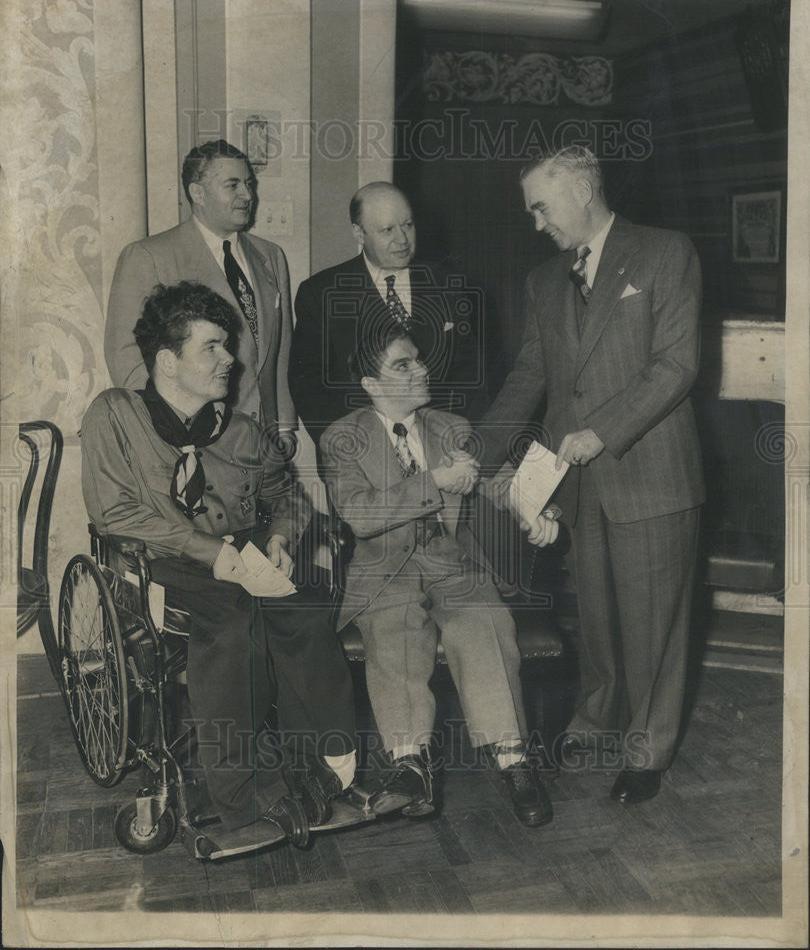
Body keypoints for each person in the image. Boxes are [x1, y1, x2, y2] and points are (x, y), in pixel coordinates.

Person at [82, 281, 360, 847]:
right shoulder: (115, 415)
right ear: (167, 360)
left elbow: (285, 494)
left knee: (305, 611)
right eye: (211, 347)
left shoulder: (237, 428)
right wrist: (213, 554)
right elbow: (114, 512)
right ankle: (246, 796)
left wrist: (281, 535)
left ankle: (323, 766)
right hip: (166, 561)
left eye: (226, 345)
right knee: (235, 628)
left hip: (248, 551)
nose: (229, 358)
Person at [480, 145, 705, 805]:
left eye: (540, 206)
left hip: (651, 472)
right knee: (601, 616)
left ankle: (647, 750)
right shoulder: (544, 280)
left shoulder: (665, 252)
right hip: (579, 484)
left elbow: (676, 366)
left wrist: (602, 430)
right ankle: (598, 714)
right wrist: (480, 452)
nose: (536, 222)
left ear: (579, 191)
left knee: (655, 622)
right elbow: (530, 377)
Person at [320, 323, 559, 827]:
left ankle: (514, 762)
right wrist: (435, 482)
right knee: (395, 638)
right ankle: (413, 767)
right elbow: (358, 514)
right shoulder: (343, 437)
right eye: (402, 364)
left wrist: (536, 513)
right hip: (384, 574)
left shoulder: (451, 427)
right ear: (369, 383)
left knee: (485, 626)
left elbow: (492, 487)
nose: (421, 369)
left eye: (419, 360)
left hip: (452, 566)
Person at [105, 139, 295, 433]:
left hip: (261, 436)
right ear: (198, 193)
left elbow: (280, 350)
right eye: (232, 185)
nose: (248, 194)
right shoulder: (149, 256)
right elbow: (125, 354)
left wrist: (282, 424)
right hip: (192, 434)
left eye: (248, 183)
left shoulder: (271, 256)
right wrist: (169, 424)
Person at [289, 182, 485, 449]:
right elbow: (307, 384)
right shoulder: (321, 292)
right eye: (387, 230)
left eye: (408, 225)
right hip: (361, 455)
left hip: (441, 450)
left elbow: (470, 372)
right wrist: (344, 446)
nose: (402, 240)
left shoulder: (446, 283)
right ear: (359, 233)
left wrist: (460, 441)